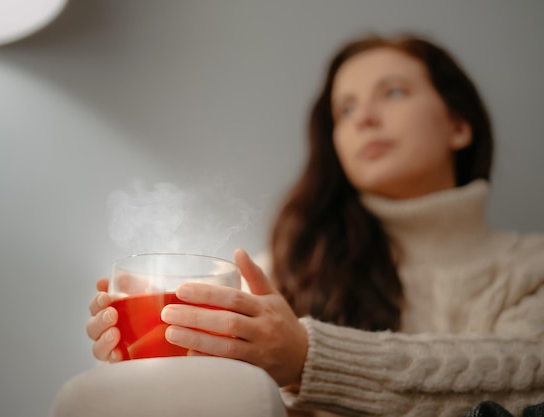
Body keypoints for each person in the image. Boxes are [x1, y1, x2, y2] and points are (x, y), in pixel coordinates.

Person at [86, 33, 544, 416]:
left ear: (459, 125)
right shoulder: (282, 272)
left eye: (394, 92)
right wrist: (142, 361)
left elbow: (528, 372)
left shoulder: (531, 265)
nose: (364, 117)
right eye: (344, 110)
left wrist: (309, 358)